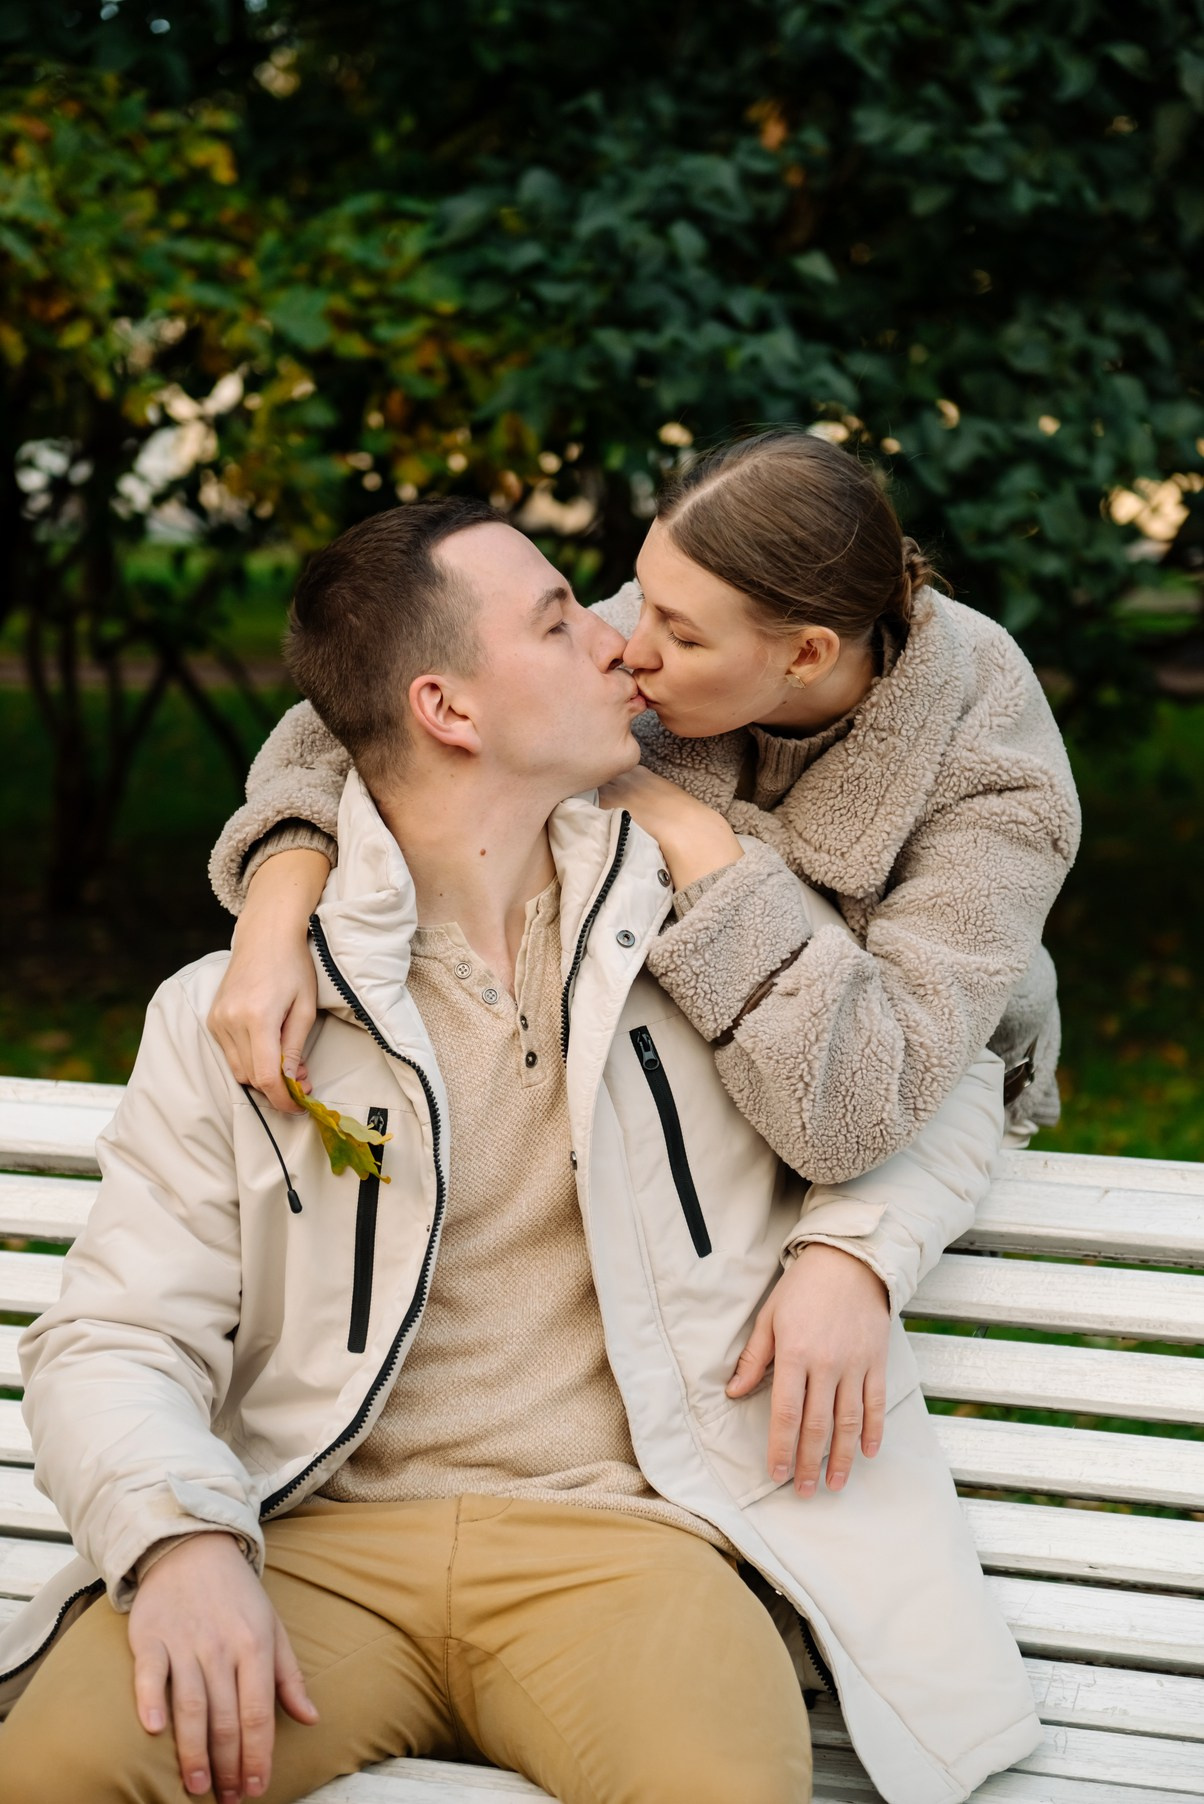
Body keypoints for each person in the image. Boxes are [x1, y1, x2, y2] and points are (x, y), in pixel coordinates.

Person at [0, 499, 1039, 1804]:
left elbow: (937, 1065)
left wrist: (854, 1249)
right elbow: (116, 1337)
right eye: (558, 622)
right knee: (52, 1771)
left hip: (630, 1546)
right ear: (447, 709)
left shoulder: (708, 917)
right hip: (312, 1541)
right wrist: (179, 1545)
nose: (618, 641)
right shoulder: (241, 1008)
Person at [209, 430, 1079, 1187]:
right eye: (640, 598)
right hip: (692, 1119)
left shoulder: (993, 772)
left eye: (683, 636)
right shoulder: (675, 611)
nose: (630, 648)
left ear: (807, 655)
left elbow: (864, 1101)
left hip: (935, 1118)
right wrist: (271, 927)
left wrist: (697, 835)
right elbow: (360, 718)